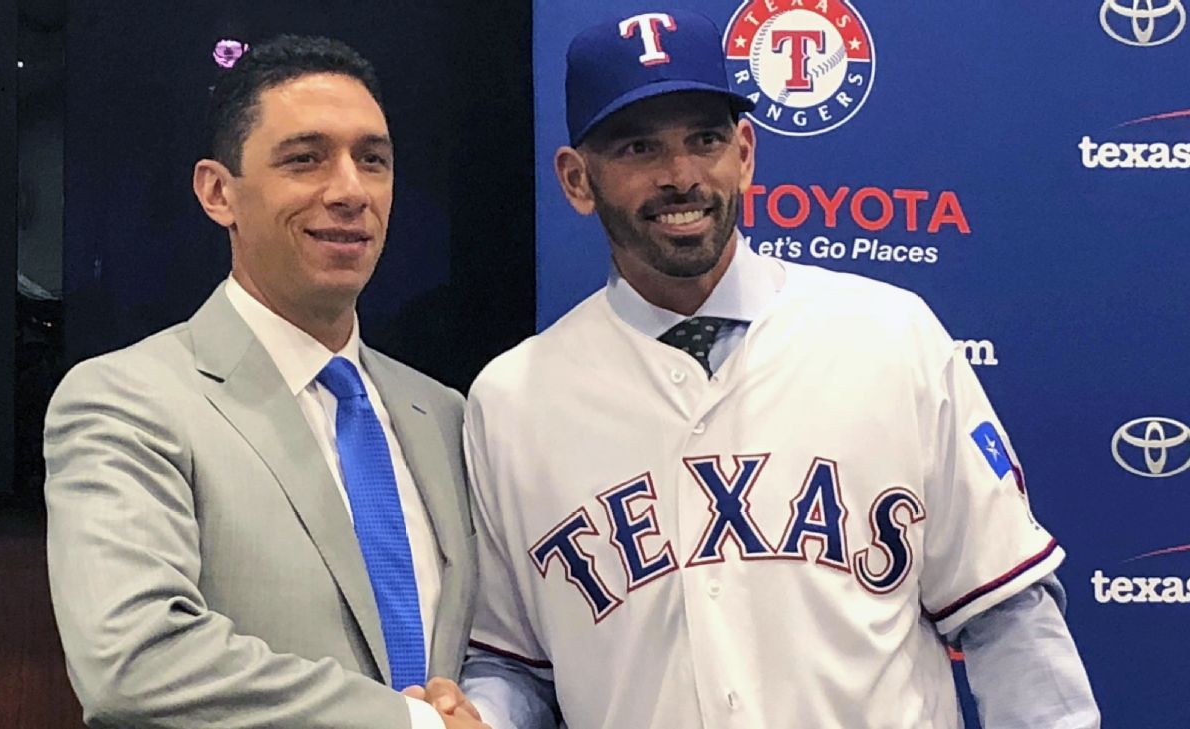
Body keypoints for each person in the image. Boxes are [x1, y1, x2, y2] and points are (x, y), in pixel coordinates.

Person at [454, 10, 1100, 729]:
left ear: (746, 152)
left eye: (704, 139)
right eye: (639, 147)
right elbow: (512, 664)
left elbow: (1005, 615)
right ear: (578, 180)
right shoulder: (512, 399)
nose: (680, 176)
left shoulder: (890, 335)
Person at [44, 35, 485, 729]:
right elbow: (131, 661)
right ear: (219, 192)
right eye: (305, 159)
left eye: (373, 160)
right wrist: (411, 725)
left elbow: (483, 646)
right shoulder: (126, 400)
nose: (349, 191)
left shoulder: (444, 412)